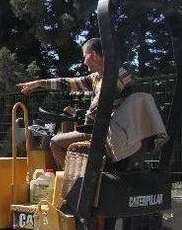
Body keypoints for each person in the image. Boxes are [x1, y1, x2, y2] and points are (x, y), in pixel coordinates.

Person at [16, 37, 133, 168]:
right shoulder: (97, 77)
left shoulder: (120, 74)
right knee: (64, 136)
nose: (84, 62)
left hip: (108, 131)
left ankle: (72, 184)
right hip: (101, 129)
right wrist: (38, 83)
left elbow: (101, 101)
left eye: (85, 57)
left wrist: (87, 119)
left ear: (94, 55)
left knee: (55, 142)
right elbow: (67, 83)